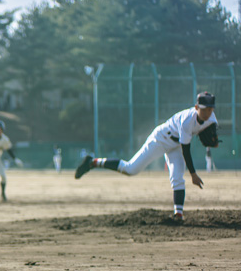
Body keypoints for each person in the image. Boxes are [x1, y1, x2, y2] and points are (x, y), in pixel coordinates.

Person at [75, 92, 219, 220]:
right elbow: (186, 150)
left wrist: (214, 142)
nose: (207, 112)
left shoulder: (212, 119)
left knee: (177, 177)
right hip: (161, 139)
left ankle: (178, 215)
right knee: (130, 169)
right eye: (204, 109)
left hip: (176, 146)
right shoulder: (187, 121)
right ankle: (93, 162)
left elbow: (210, 136)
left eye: (210, 109)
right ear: (196, 107)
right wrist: (193, 174)